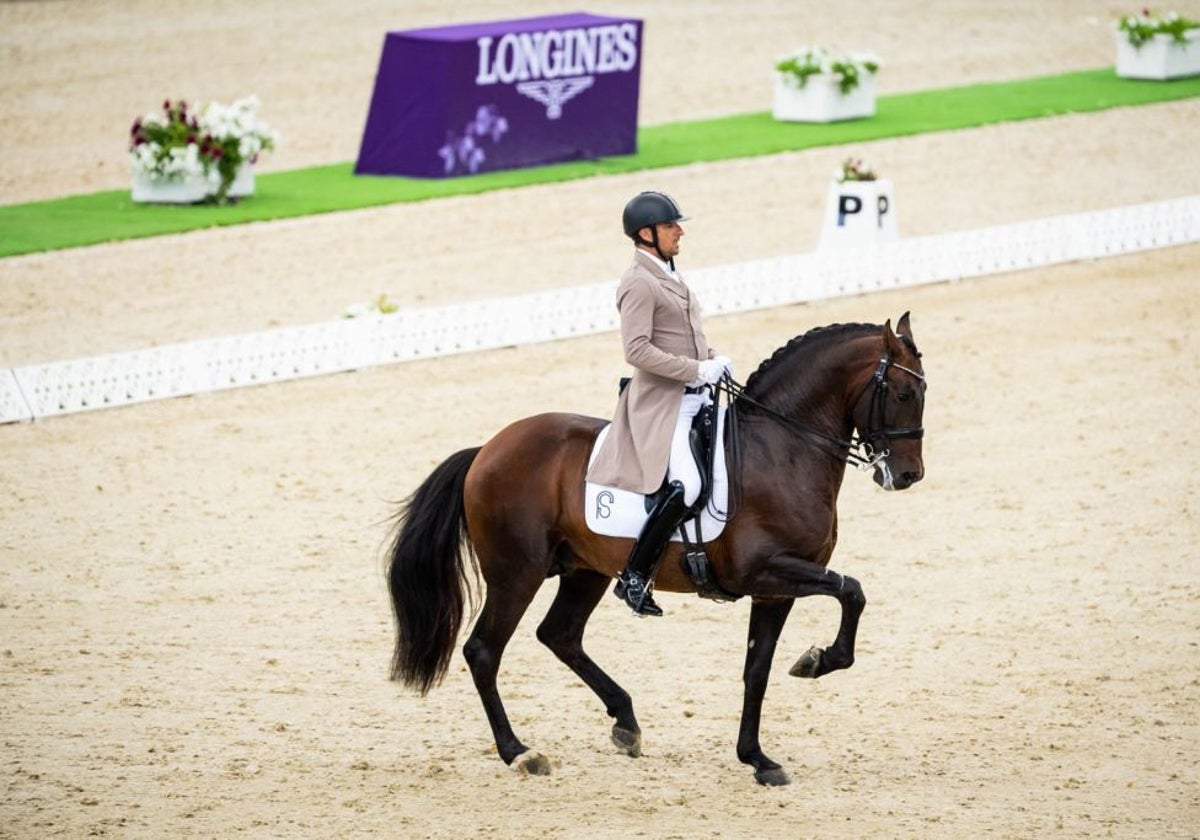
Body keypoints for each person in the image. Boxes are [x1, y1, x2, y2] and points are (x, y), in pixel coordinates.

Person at [587, 190, 732, 617]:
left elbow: (684, 336)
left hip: (695, 394)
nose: (680, 232)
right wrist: (693, 370)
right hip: (661, 405)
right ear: (647, 234)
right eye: (671, 226)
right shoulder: (638, 281)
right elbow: (637, 350)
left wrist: (712, 360)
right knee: (688, 485)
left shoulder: (669, 273)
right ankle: (635, 574)